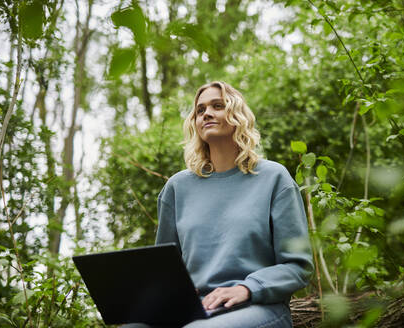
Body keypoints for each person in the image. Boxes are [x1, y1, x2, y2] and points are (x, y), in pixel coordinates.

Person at [127, 81, 313, 328]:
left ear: (237, 115)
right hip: (196, 309)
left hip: (258, 308)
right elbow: (166, 270)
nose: (207, 113)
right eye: (200, 110)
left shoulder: (273, 178)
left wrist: (247, 288)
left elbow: (297, 266)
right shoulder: (177, 188)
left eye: (217, 106)